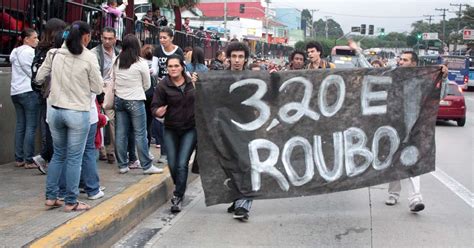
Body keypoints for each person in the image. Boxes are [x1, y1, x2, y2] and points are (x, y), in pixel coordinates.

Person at [36, 21, 103, 211]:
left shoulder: (54, 53)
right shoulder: (89, 57)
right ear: (86, 37)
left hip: (55, 110)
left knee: (58, 155)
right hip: (77, 112)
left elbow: (39, 78)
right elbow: (98, 88)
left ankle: (51, 197)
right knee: (74, 158)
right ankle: (71, 201)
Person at [192, 42, 254, 221]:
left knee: (245, 165)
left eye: (240, 57)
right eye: (234, 56)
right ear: (228, 58)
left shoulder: (253, 77)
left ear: (245, 59)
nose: (237, 60)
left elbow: (267, 97)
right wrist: (198, 83)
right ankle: (237, 198)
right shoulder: (219, 78)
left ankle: (244, 205)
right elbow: (208, 97)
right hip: (225, 130)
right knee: (229, 165)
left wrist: (273, 80)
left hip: (247, 129)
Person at [385, 51, 448, 212]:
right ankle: (393, 194)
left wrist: (444, 77)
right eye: (400, 59)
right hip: (394, 127)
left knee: (413, 162)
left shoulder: (424, 80)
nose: (400, 62)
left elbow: (440, 94)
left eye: (405, 60)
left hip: (415, 128)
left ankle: (415, 198)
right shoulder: (393, 76)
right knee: (394, 163)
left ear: (414, 63)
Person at [151, 54, 197, 213]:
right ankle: (181, 185)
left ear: (182, 67)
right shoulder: (163, 86)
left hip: (190, 129)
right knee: (172, 163)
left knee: (182, 163)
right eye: (170, 66)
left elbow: (205, 98)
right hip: (170, 128)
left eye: (176, 66)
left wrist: (199, 86)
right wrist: (158, 111)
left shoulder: (193, 82)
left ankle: (178, 196)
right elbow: (154, 106)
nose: (173, 69)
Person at [113, 34, 163, 175]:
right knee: (140, 133)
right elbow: (147, 84)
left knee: (121, 133)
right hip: (135, 100)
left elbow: (114, 78)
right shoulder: (140, 62)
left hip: (119, 100)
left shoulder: (117, 60)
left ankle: (122, 165)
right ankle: (147, 165)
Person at [31, 18, 67, 174]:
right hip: (54, 94)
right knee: (53, 130)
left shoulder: (40, 48)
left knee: (48, 126)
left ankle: (46, 157)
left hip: (43, 93)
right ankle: (49, 158)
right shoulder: (54, 51)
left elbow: (37, 78)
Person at [10, 28, 40, 169]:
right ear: (26, 39)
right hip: (28, 91)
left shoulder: (15, 52)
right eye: (34, 38)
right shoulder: (28, 52)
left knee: (21, 125)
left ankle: (19, 158)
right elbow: (32, 73)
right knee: (31, 126)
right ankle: (29, 159)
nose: (37, 40)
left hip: (15, 92)